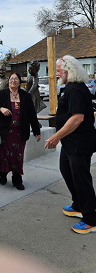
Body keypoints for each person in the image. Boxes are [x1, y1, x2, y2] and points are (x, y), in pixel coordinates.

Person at [44, 55, 96, 234]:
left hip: (79, 143)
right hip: (70, 143)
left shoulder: (75, 89)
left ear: (68, 71)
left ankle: (91, 218)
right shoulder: (69, 88)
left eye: (58, 70)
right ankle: (79, 205)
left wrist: (55, 137)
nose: (56, 73)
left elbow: (77, 118)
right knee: (67, 171)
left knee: (81, 178)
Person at [0, 72, 41, 189]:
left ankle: (17, 179)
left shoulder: (26, 96)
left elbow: (32, 114)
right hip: (3, 133)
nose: (13, 81)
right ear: (8, 81)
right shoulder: (0, 94)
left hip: (19, 133)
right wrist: (1, 109)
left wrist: (36, 131)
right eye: (11, 78)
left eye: (16, 79)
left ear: (19, 82)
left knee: (18, 156)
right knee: (3, 155)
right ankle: (2, 174)